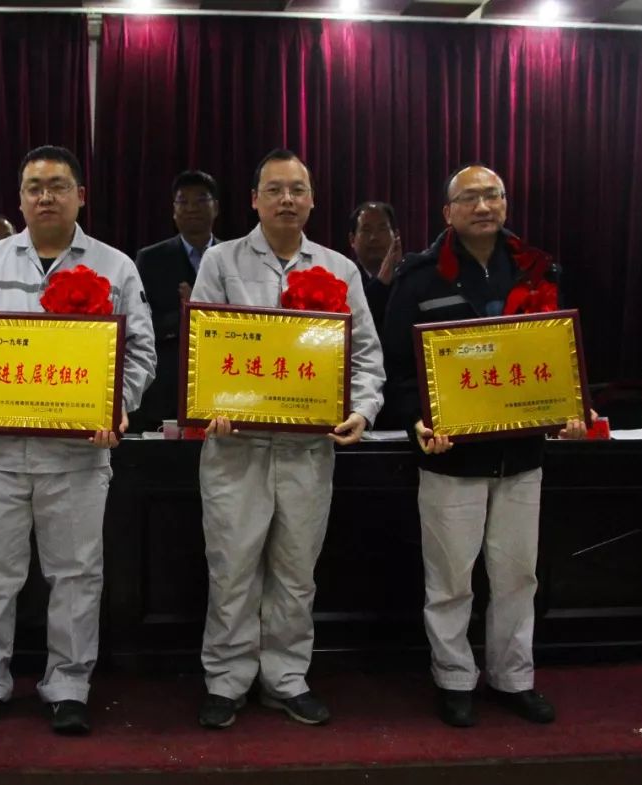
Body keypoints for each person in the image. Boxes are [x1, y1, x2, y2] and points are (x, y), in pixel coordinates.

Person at [0, 145, 155, 736]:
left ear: (81, 195)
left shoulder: (115, 268)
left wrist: (117, 404)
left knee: (76, 575)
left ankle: (69, 687)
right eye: (34, 187)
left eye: (58, 186)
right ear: (20, 198)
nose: (46, 196)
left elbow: (141, 352)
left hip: (78, 456)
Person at [382, 164, 589, 728]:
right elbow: (397, 371)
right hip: (450, 457)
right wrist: (417, 422)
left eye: (492, 195)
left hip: (522, 455)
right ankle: (453, 678)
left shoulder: (537, 269)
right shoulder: (419, 278)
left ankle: (512, 677)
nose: (483, 206)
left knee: (518, 575)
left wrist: (571, 408)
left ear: (505, 205)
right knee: (450, 579)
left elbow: (559, 358)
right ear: (447, 212)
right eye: (469, 197)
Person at [191, 149, 384, 729]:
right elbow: (203, 349)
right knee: (232, 569)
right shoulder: (221, 261)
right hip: (236, 449)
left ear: (313, 199)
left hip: (307, 449)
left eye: (297, 189)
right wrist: (208, 406)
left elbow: (365, 356)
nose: (286, 200)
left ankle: (286, 678)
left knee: (296, 572)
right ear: (254, 200)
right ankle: (226, 680)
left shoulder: (339, 269)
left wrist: (363, 411)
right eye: (274, 189)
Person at [132, 170, 220, 432]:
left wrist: (201, 309)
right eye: (183, 201)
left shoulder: (232, 258)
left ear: (216, 208)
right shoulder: (150, 259)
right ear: (173, 211)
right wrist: (184, 313)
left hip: (218, 386)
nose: (191, 208)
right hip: (165, 387)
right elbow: (140, 325)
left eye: (201, 200)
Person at [347, 201, 402, 332]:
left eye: (382, 229)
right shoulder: (344, 278)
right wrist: (381, 283)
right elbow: (355, 322)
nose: (374, 237)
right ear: (352, 239)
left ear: (396, 236)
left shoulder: (408, 277)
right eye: (366, 230)